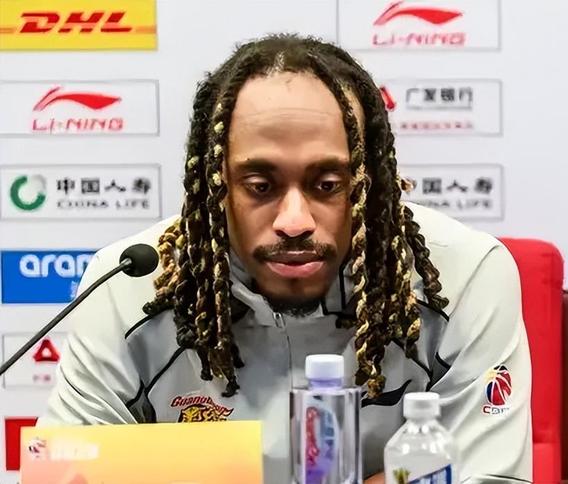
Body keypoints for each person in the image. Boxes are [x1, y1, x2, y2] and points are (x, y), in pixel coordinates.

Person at [40, 34, 532, 483]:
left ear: (368, 181)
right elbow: (65, 474)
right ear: (215, 185)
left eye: (327, 185)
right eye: (260, 186)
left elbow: (489, 476)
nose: (294, 221)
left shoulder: (463, 276)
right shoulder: (127, 286)